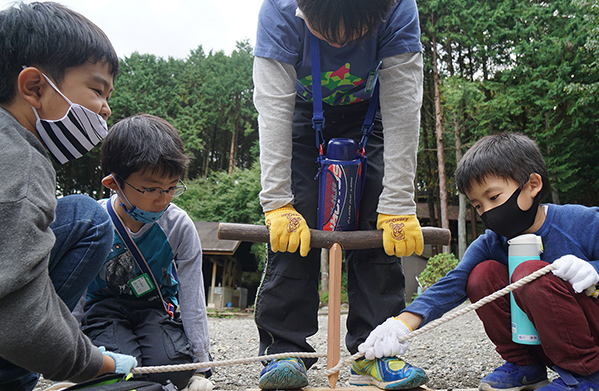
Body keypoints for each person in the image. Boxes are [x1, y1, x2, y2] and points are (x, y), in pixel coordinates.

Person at [253, 0, 427, 389]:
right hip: (300, 115)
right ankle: (284, 349)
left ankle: (375, 351)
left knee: (379, 228)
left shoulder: (399, 7)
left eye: (354, 32)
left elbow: (403, 103)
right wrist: (278, 202)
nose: (342, 40)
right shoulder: (278, 10)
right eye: (327, 31)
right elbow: (272, 107)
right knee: (293, 229)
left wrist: (398, 202)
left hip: (373, 115)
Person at [359, 133, 599, 391]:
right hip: (546, 342)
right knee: (481, 275)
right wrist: (400, 324)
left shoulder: (583, 222)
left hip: (591, 337)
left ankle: (587, 377)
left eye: (494, 197)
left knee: (531, 272)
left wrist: (593, 269)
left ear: (532, 185)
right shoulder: (492, 243)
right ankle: (525, 366)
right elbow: (454, 281)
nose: (487, 211)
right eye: (478, 206)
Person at [0, 2, 138, 390]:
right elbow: (17, 315)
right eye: (97, 89)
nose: (106, 109)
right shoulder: (20, 163)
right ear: (34, 86)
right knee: (90, 220)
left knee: (78, 213)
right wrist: (94, 362)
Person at [79, 114, 213, 391]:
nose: (162, 199)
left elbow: (192, 296)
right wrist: (69, 356)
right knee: (119, 370)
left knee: (174, 372)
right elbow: (75, 292)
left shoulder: (178, 226)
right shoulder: (93, 223)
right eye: (151, 188)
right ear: (113, 183)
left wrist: (201, 366)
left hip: (156, 309)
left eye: (171, 188)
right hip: (104, 310)